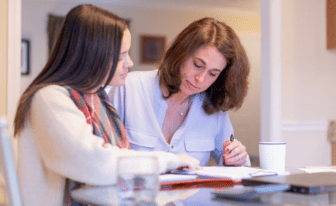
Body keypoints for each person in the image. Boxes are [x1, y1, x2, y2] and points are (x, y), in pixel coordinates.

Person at [13, 4, 199, 206]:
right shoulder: (49, 98)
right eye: (121, 56)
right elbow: (95, 163)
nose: (130, 62)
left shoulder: (97, 97)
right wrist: (168, 160)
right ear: (92, 55)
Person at [109, 17, 251, 167]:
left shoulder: (214, 108)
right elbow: (103, 158)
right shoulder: (128, 88)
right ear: (181, 53)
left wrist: (236, 157)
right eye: (197, 65)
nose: (200, 79)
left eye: (213, 74)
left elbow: (234, 166)